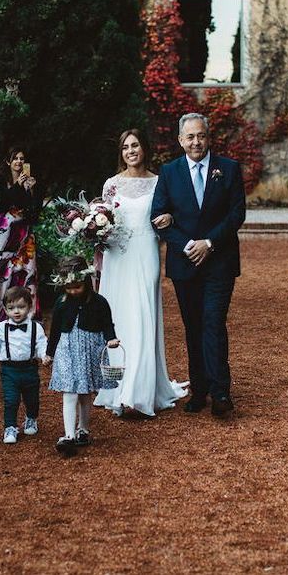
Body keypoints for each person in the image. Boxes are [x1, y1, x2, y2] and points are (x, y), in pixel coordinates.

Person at [150, 112, 245, 417]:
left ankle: (220, 392)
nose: (196, 142)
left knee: (213, 324)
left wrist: (210, 243)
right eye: (189, 137)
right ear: (180, 140)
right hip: (185, 262)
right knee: (193, 326)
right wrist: (188, 244)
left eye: (201, 135)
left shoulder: (228, 169)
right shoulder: (169, 172)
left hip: (220, 261)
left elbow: (236, 213)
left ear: (209, 137)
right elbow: (159, 217)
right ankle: (199, 389)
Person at [94, 129, 187, 416]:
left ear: (144, 149)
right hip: (117, 254)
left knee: (144, 316)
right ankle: (116, 387)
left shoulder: (160, 182)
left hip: (146, 250)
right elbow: (101, 219)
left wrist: (170, 216)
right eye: (125, 147)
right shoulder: (112, 184)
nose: (131, 151)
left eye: (135, 145)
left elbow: (174, 212)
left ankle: (140, 391)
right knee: (118, 317)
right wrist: (96, 229)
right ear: (121, 153)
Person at [47, 257, 120, 456]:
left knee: (85, 392)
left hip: (90, 350)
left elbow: (107, 323)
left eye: (77, 287)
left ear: (86, 282)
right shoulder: (62, 303)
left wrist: (111, 339)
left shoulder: (99, 302)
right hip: (68, 350)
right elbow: (55, 330)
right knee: (69, 391)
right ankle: (68, 435)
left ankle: (84, 429)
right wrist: (49, 353)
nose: (72, 291)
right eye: (68, 287)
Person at [0, 287, 48, 444]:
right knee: (10, 400)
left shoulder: (35, 327)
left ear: (29, 307)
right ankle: (10, 427)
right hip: (9, 370)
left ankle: (31, 418)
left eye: (21, 307)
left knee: (32, 399)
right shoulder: (0, 328)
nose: (17, 312)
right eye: (11, 308)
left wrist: (44, 355)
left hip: (30, 369)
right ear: (5, 309)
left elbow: (41, 343)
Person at [0, 146, 43, 320]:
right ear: (8, 162)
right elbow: (3, 203)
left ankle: (28, 314)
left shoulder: (30, 182)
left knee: (27, 272)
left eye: (22, 159)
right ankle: (4, 315)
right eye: (15, 158)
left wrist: (31, 190)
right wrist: (17, 186)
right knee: (5, 273)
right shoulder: (1, 180)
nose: (18, 162)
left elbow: (34, 212)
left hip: (25, 236)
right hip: (6, 235)